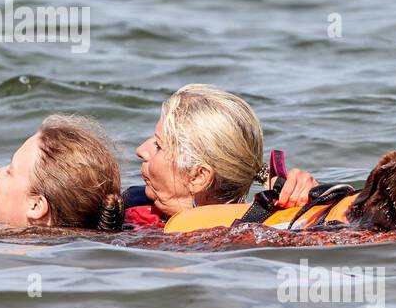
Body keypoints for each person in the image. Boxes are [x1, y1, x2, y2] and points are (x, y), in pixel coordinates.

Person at [125, 84, 317, 228]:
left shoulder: (251, 232)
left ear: (198, 176)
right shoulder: (126, 208)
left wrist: (314, 197)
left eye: (158, 146)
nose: (141, 150)